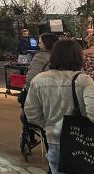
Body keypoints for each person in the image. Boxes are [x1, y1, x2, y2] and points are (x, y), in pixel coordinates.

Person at [24, 39, 94, 174]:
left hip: (53, 140)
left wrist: (48, 126)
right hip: (81, 139)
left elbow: (31, 114)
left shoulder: (39, 79)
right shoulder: (84, 80)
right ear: (78, 56)